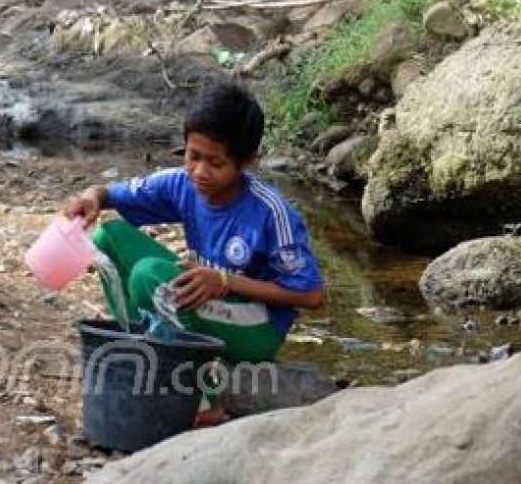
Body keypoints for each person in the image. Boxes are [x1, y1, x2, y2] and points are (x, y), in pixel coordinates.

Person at [63, 83, 325, 424]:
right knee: (109, 237)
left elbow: (312, 293)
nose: (200, 171)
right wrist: (90, 199)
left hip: (257, 326)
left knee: (151, 276)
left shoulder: (269, 212)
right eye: (193, 156)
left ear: (245, 161)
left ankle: (205, 399)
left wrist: (227, 281)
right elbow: (107, 193)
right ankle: (140, 348)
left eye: (215, 162)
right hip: (207, 297)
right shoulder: (182, 184)